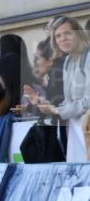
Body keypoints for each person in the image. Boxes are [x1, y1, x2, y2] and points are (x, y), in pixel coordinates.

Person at [32, 17, 90, 161]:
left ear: (78, 34)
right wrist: (48, 105)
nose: (62, 39)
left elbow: (88, 101)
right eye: (58, 35)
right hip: (76, 131)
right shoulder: (68, 61)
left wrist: (57, 110)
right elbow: (69, 100)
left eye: (68, 33)